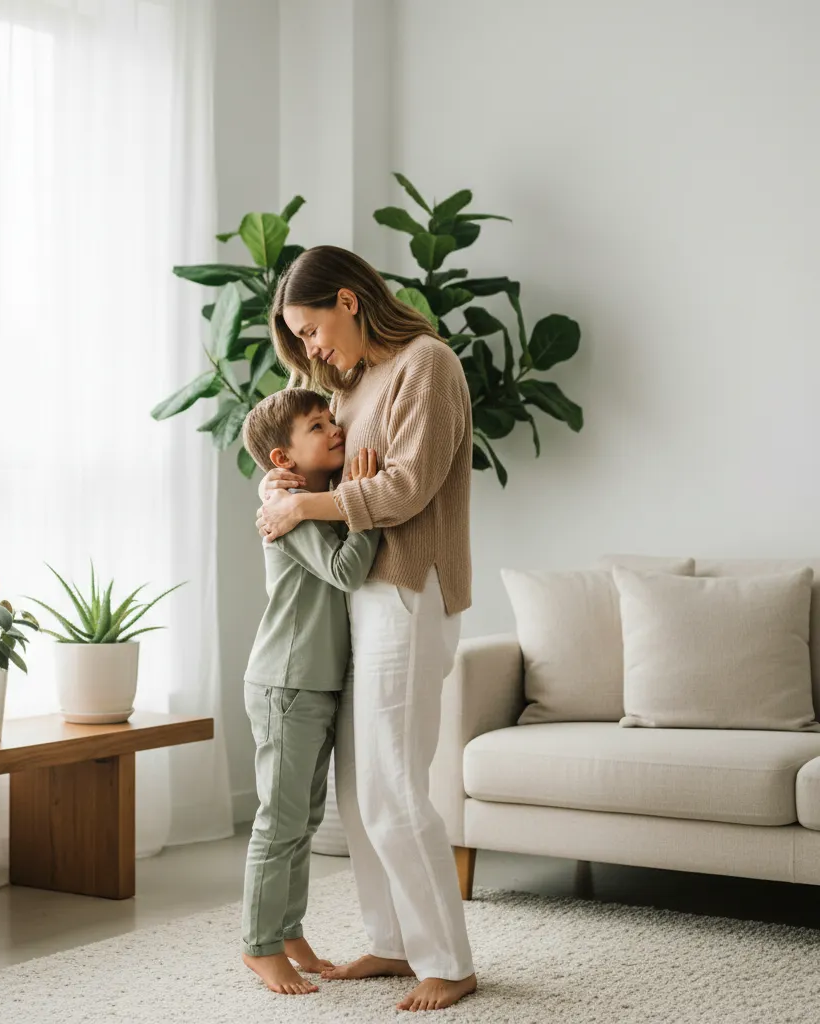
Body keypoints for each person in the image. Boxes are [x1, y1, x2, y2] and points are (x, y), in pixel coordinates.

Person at [256, 245, 477, 1012]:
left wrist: (303, 507)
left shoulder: (428, 364)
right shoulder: (345, 383)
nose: (310, 351)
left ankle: (447, 959)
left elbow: (406, 486)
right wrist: (280, 483)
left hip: (411, 588)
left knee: (391, 783)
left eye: (311, 330)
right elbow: (309, 461)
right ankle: (393, 941)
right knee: (358, 790)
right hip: (362, 595)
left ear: (349, 302)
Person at [239, 386, 381, 996]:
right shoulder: (290, 507)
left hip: (313, 683)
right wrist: (366, 504)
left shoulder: (307, 501)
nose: (334, 429)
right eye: (317, 425)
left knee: (304, 818)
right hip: (286, 683)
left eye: (331, 418)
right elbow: (348, 570)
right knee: (279, 821)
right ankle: (260, 945)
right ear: (283, 460)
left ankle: (288, 929)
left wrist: (347, 494)